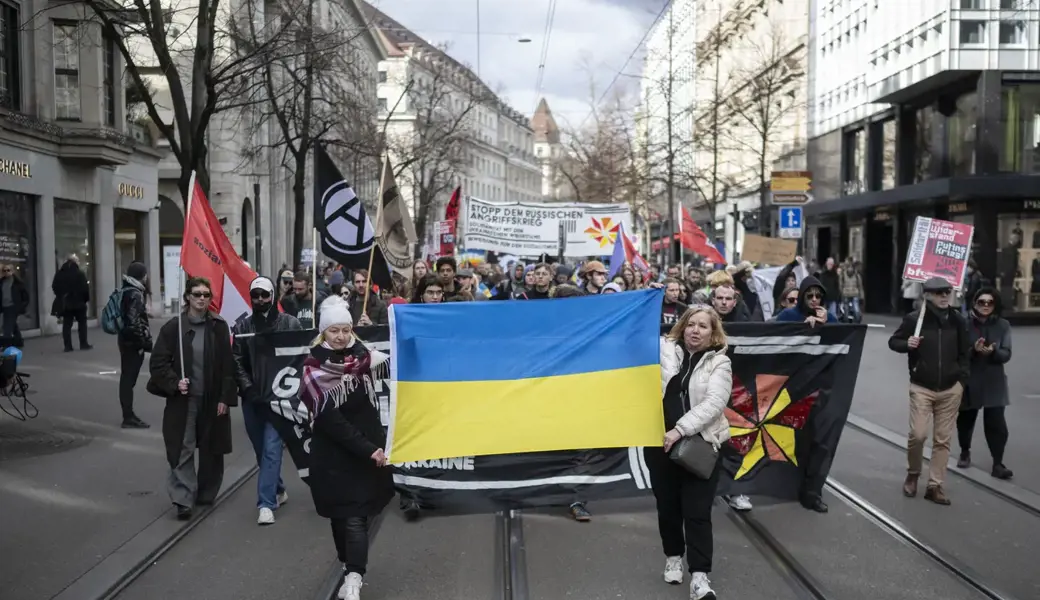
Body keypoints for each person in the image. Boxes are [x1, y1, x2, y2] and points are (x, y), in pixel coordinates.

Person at [299, 297, 394, 600]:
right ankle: (347, 562)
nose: (341, 336)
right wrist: (368, 448)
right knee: (341, 518)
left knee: (356, 517)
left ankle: (354, 576)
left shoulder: (365, 357)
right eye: (334, 331)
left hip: (366, 454)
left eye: (346, 330)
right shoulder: (313, 368)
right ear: (323, 333)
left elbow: (399, 367)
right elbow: (331, 421)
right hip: (333, 457)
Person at [649, 305, 732, 600]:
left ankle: (700, 577)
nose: (695, 330)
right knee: (668, 507)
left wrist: (680, 429)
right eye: (691, 324)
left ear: (713, 334)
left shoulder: (719, 364)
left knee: (697, 513)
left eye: (703, 326)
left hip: (700, 446)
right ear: (682, 327)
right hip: (659, 445)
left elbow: (714, 405)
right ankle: (673, 557)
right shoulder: (664, 350)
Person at [147, 277, 237, 520]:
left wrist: (224, 399)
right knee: (182, 447)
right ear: (187, 296)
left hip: (211, 399)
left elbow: (228, 367)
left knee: (211, 448)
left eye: (206, 294)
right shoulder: (173, 328)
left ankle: (206, 493)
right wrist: (174, 382)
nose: (201, 298)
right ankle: (183, 499)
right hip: (183, 400)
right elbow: (158, 363)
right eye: (196, 294)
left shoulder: (218, 326)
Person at [888, 276, 969, 505]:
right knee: (918, 434)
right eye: (939, 292)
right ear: (928, 295)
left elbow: (965, 354)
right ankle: (913, 474)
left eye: (947, 291)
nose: (945, 296)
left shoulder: (958, 321)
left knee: (943, 440)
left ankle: (935, 485)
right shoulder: (915, 319)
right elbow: (894, 342)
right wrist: (908, 344)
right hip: (922, 386)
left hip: (950, 389)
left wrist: (961, 382)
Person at [232, 276, 302, 524]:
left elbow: (301, 358)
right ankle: (278, 488)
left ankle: (265, 503)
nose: (261, 300)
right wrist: (249, 390)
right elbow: (237, 361)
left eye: (265, 294)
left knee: (273, 448)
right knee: (261, 449)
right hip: (253, 399)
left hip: (280, 398)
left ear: (273, 295)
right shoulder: (242, 327)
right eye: (256, 295)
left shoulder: (290, 323)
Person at [957, 288, 1013, 480]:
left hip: (993, 379)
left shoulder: (1003, 325)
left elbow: (1006, 353)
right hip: (970, 377)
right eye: (982, 302)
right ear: (974, 303)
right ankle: (965, 451)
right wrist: (974, 349)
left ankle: (998, 463)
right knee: (965, 418)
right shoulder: (964, 323)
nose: (986, 306)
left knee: (996, 423)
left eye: (990, 302)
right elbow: (958, 351)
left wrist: (993, 353)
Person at [118, 262, 153, 429]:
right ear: (142, 275)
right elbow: (133, 322)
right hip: (132, 342)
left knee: (126, 378)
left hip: (125, 340)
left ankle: (128, 414)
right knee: (128, 380)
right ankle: (128, 416)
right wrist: (142, 343)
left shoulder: (127, 290)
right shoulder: (136, 294)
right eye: (145, 274)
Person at [51, 254, 92, 352]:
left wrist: (61, 296)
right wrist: (85, 299)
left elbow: (54, 286)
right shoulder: (79, 273)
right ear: (75, 262)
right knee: (82, 323)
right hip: (79, 303)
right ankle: (83, 343)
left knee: (67, 324)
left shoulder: (60, 274)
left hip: (66, 303)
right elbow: (85, 289)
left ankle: (68, 346)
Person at [0, 263, 30, 341]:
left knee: (7, 326)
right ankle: (19, 340)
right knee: (13, 325)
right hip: (4, 306)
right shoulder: (2, 282)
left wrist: (21, 306)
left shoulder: (18, 283)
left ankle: (6, 344)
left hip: (13, 307)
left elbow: (26, 297)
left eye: (8, 270)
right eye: (4, 270)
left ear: (12, 271)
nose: (6, 272)